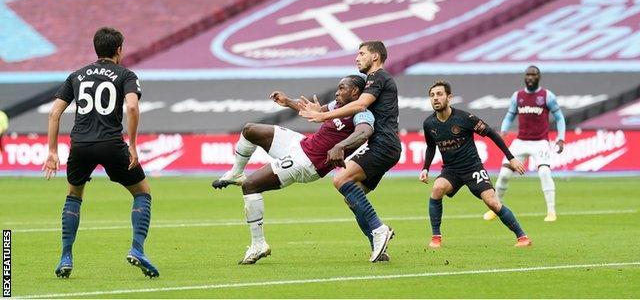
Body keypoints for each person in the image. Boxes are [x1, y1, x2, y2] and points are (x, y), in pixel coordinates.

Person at [211, 75, 376, 264]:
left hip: (307, 163)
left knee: (250, 186)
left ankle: (258, 245)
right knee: (250, 130)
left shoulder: (362, 113)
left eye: (342, 88)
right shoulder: (338, 105)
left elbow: (364, 131)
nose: (337, 92)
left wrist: (341, 146)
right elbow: (314, 113)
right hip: (300, 144)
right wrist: (288, 101)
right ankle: (236, 172)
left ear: (355, 91)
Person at [42, 27, 158, 278]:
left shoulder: (77, 75)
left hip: (81, 145)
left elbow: (54, 113)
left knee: (74, 196)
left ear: (96, 48)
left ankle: (65, 257)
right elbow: (133, 107)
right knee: (142, 192)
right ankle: (137, 249)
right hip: (111, 143)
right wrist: (133, 144)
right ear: (119, 49)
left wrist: (52, 151)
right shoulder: (125, 74)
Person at [299, 41, 399, 262]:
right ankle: (378, 247)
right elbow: (338, 105)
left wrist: (324, 117)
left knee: (340, 179)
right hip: (385, 146)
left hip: (383, 143)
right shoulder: (371, 82)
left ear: (375, 57)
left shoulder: (379, 77)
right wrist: (314, 109)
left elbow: (360, 105)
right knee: (352, 197)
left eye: (361, 54)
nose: (357, 58)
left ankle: (379, 229)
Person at [420, 80, 532, 248]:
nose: (435, 98)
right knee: (437, 188)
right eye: (432, 95)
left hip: (473, 168)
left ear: (449, 97)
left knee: (492, 203)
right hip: (451, 170)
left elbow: (492, 134)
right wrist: (425, 168)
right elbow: (430, 147)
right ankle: (436, 237)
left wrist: (511, 158)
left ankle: (522, 237)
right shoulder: (429, 124)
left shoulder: (465, 118)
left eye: (439, 94)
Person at [483, 65, 565, 222]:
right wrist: (504, 130)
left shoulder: (547, 96)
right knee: (504, 174)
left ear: (538, 77)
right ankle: (495, 208)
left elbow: (560, 118)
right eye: (528, 74)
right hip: (520, 142)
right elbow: (509, 116)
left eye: (533, 75)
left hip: (540, 142)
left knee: (544, 173)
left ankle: (551, 211)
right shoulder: (517, 96)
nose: (530, 77)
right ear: (524, 77)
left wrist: (561, 138)